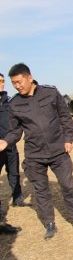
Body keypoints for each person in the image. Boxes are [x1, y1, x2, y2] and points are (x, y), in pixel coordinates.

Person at [0, 63, 73, 239]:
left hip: (58, 151)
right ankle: (49, 223)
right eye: (13, 84)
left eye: (19, 82)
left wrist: (68, 139)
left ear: (29, 77)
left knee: (67, 185)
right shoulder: (14, 103)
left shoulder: (50, 92)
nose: (17, 86)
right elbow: (15, 131)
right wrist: (5, 141)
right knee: (41, 191)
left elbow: (65, 117)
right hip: (34, 155)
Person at [0, 73, 24, 207]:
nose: (2, 83)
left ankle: (17, 198)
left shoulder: (9, 101)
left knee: (14, 173)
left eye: (3, 80)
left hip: (10, 144)